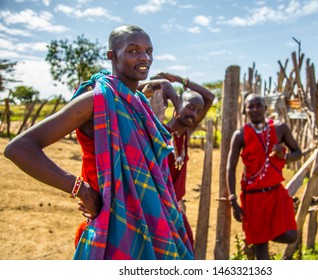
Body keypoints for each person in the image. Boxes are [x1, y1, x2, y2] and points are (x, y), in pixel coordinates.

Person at [4, 25, 194, 260]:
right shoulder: (96, 100)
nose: (144, 57)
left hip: (156, 223)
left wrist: (162, 84)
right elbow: (19, 148)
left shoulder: (138, 104)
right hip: (112, 229)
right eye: (133, 51)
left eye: (148, 51)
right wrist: (81, 190)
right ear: (112, 56)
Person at [142, 72, 215, 250]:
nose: (194, 114)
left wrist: (181, 81)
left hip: (175, 208)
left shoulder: (186, 135)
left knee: (186, 249)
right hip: (155, 208)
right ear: (177, 105)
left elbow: (210, 97)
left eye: (198, 111)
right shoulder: (159, 133)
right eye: (190, 107)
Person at [226, 93, 302, 260]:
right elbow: (230, 169)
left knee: (291, 234)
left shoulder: (280, 128)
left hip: (276, 193)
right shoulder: (240, 135)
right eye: (250, 106)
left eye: (258, 105)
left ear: (266, 108)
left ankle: (260, 234)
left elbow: (298, 152)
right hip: (253, 197)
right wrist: (233, 200)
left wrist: (285, 157)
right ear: (245, 110)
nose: (254, 109)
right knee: (261, 249)